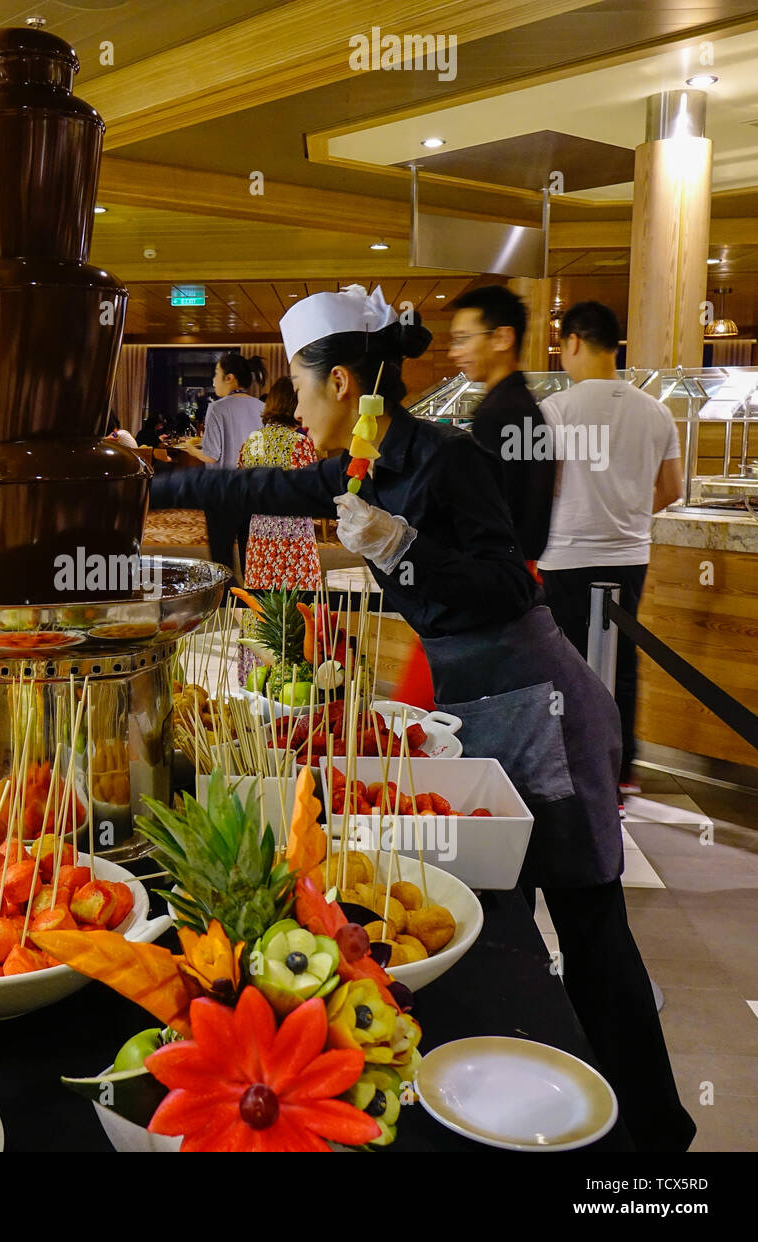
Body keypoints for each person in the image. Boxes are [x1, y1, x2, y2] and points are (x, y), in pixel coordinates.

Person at [150, 283, 695, 1153]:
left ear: (340, 385)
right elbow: (265, 487)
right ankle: (530, 1112)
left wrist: (405, 547)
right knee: (508, 930)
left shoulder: (448, 459)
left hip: (543, 710)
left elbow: (510, 581)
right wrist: (147, 483)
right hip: (482, 710)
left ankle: (660, 1143)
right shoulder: (363, 466)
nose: (289, 400)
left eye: (296, 381)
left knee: (592, 930)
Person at [538, 301, 683, 795]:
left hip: (566, 554)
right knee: (621, 662)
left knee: (566, 662)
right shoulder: (656, 410)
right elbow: (673, 487)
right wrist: (628, 513)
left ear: (575, 342)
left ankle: (573, 767)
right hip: (629, 555)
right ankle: (620, 772)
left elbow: (546, 485)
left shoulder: (555, 410)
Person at [448, 285, 554, 564]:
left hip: (500, 569)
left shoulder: (497, 413)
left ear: (503, 338)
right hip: (523, 562)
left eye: (463, 339)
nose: (454, 353)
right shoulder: (523, 403)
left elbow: (488, 510)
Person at [176, 352, 264, 571]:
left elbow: (211, 455)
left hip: (222, 490)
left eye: (216, 374)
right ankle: (252, 602)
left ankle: (225, 600)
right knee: (250, 555)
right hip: (254, 488)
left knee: (222, 558)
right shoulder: (262, 408)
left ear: (230, 378)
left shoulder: (217, 408)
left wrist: (190, 449)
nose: (213, 380)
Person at [237, 377, 321, 592]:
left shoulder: (252, 440)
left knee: (262, 599)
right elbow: (311, 490)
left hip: (259, 533)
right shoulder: (299, 443)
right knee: (297, 604)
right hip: (293, 537)